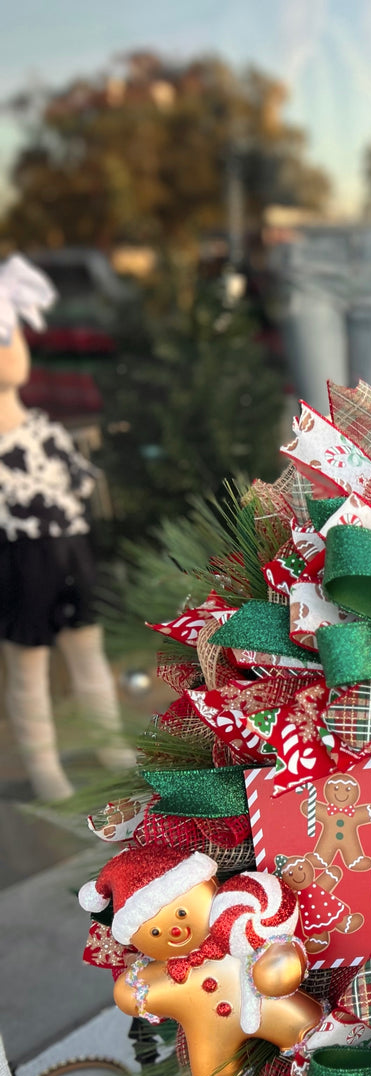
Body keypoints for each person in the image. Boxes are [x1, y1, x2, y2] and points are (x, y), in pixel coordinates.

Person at [0, 254, 134, 800]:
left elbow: (78, 485)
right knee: (28, 670)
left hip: (72, 552)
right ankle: (43, 765)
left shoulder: (42, 429)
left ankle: (108, 742)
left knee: (90, 654)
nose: (14, 349)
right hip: (20, 560)